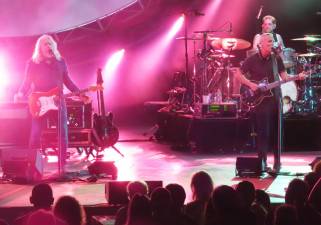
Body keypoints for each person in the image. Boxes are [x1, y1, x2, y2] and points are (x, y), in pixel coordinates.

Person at [235, 33, 305, 171]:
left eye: (272, 41)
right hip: (261, 101)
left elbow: (284, 77)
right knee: (263, 132)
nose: (271, 44)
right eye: (268, 41)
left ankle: (277, 163)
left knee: (277, 132)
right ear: (260, 44)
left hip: (275, 98)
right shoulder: (252, 59)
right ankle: (262, 163)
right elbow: (238, 74)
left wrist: (297, 77)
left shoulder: (276, 58)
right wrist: (251, 84)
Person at [14, 34, 83, 172]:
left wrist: (78, 91)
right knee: (35, 134)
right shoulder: (33, 62)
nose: (48, 46)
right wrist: (20, 93)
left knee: (63, 132)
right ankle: (32, 164)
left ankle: (62, 165)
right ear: (40, 48)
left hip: (58, 101)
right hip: (40, 101)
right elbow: (27, 81)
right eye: (45, 44)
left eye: (50, 43)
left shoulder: (60, 62)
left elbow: (67, 80)